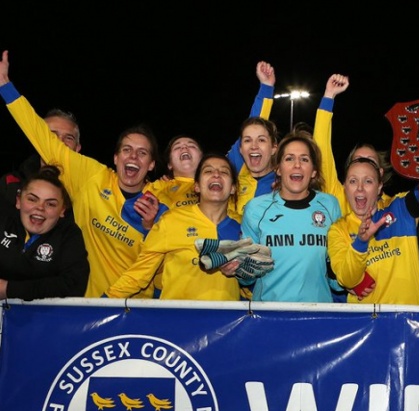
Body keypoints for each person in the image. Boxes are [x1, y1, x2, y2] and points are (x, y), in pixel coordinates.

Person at [0, 50, 166, 298]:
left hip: (135, 310)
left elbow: (164, 269)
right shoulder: (92, 175)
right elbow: (44, 139)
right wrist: (5, 87)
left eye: (142, 153)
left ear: (152, 165)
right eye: (127, 150)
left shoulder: (160, 201)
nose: (133, 157)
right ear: (115, 158)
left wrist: (151, 227)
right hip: (84, 307)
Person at [105, 153, 244, 301]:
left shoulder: (243, 226)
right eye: (208, 171)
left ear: (233, 188)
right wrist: (100, 305)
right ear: (196, 186)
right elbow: (139, 274)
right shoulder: (171, 220)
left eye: (224, 172)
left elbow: (252, 285)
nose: (216, 175)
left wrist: (243, 273)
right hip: (177, 320)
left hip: (227, 321)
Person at [239, 131, 341, 302]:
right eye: (289, 158)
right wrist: (238, 267)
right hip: (268, 316)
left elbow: (337, 281)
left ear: (314, 171)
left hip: (318, 315)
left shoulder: (330, 205)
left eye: (304, 159)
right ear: (278, 169)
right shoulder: (256, 209)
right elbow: (246, 279)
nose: (297, 165)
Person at [327, 156, 419, 305]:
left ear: (379, 187)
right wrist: (361, 242)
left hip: (409, 321)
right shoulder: (338, 229)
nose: (360, 188)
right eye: (353, 181)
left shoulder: (400, 208)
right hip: (366, 324)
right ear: (345, 187)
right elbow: (346, 279)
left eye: (368, 181)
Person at [313, 73, 396, 217]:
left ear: (380, 173)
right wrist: (329, 96)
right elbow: (320, 152)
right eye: (356, 161)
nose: (362, 167)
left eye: (370, 162)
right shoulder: (338, 199)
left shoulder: (395, 206)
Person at [0, 164, 88, 300]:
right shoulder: (4, 221)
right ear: (18, 201)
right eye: (32, 199)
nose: (40, 208)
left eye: (50, 204)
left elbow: (73, 285)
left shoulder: (69, 234)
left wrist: (8, 289)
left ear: (62, 210)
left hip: (44, 319)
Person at [1, 108, 81, 209]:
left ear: (77, 148)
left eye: (69, 137)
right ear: (37, 141)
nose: (59, 142)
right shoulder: (10, 184)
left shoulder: (90, 189)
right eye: (51, 135)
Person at [228, 61, 278, 219]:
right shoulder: (235, 167)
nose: (254, 146)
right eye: (247, 141)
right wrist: (266, 87)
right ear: (240, 149)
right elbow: (255, 122)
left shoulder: (284, 181)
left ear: (273, 148)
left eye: (262, 140)